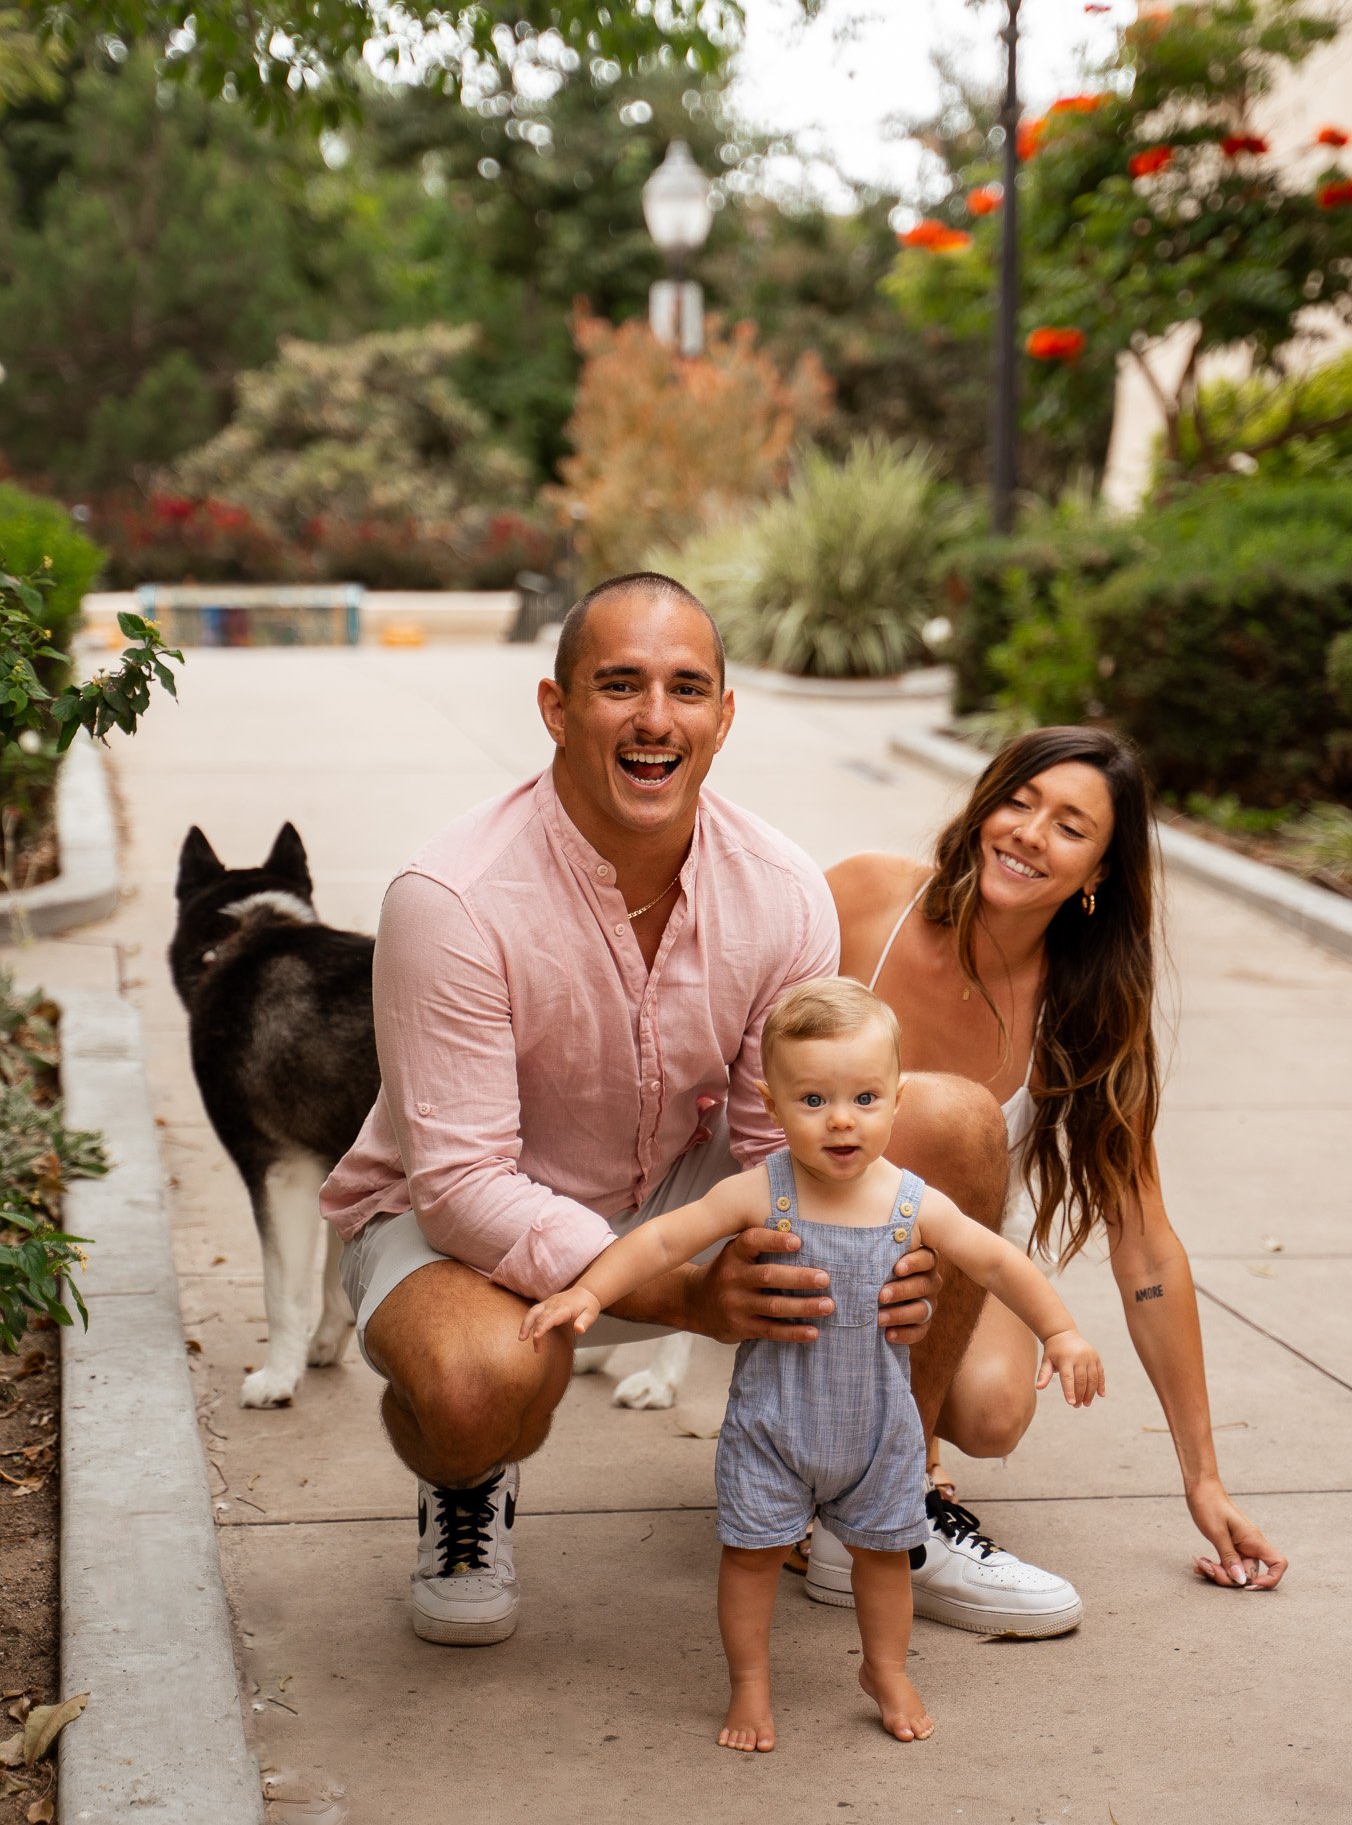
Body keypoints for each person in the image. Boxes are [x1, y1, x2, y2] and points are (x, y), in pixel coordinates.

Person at [319, 572, 1033, 1647]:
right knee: (478, 1390)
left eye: (687, 688)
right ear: (557, 708)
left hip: (674, 1185)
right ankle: (463, 1480)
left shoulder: (780, 886)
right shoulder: (451, 896)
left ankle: (875, 1506)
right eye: (620, 684)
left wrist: (850, 1244)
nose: (656, 718)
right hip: (456, 1220)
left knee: (953, 1123)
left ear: (723, 715)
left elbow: (772, 1140)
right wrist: (691, 1292)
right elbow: (464, 1185)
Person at [522, 977, 1106, 1752]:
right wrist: (589, 1290)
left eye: (864, 1098)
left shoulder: (910, 1202)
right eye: (812, 1100)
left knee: (883, 1560)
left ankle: (886, 1670)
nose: (841, 1120)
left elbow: (996, 1262)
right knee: (750, 1558)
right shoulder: (762, 1193)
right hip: (773, 1428)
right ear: (770, 1102)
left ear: (895, 1098)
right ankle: (751, 1687)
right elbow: (666, 1239)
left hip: (878, 1433)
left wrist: (1060, 1332)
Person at [806, 724, 1287, 1611]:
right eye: (1018, 802)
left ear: (1098, 873)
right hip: (802, 1214)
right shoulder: (865, 900)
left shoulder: (1087, 1006)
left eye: (1069, 827)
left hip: (943, 1244)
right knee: (930, 1116)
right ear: (984, 805)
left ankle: (882, 1468)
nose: (1029, 834)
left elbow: (1144, 1249)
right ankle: (867, 1478)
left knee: (992, 1407)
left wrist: (1202, 1479)